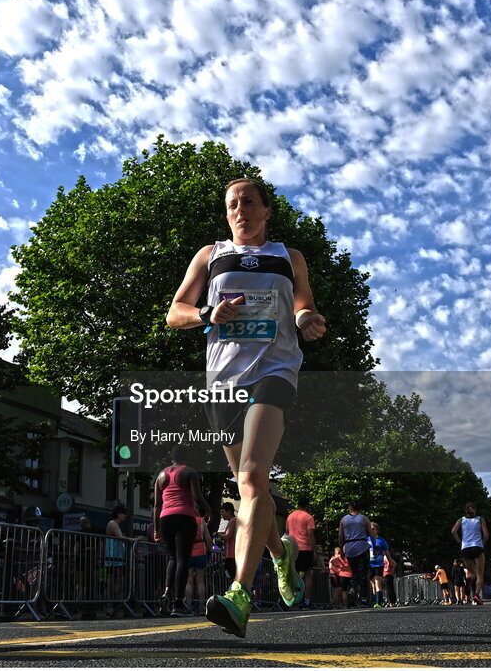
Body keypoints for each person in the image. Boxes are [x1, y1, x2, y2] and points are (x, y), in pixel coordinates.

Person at [167, 178, 326, 638]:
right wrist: (206, 314)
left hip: (274, 371)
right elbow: (175, 311)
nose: (241, 210)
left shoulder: (288, 256)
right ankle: (280, 555)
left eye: (249, 202)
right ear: (227, 214)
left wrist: (306, 319)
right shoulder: (210, 254)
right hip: (222, 381)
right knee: (247, 492)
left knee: (254, 479)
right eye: (232, 204)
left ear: (266, 210)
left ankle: (239, 594)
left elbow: (302, 304)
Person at [152, 452, 211, 617]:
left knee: (172, 558)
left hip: (165, 518)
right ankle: (178, 603)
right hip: (184, 517)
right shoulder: (189, 472)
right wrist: (208, 509)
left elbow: (157, 505)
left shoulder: (161, 475)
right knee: (183, 559)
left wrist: (156, 529)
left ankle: (166, 593)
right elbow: (196, 495)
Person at [104, 505, 141, 617]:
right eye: (124, 513)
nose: (125, 516)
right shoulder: (112, 523)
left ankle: (115, 606)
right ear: (119, 514)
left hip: (117, 559)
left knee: (117, 583)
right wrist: (135, 539)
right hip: (113, 560)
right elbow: (120, 537)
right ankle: (111, 607)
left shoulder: (116, 524)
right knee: (114, 583)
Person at [451, 501, 489, 605]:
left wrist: (460, 542)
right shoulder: (480, 519)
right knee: (480, 574)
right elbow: (486, 535)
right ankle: (476, 595)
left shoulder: (461, 520)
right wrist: (483, 543)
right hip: (477, 546)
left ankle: (468, 584)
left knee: (471, 573)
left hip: (465, 548)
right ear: (475, 509)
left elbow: (453, 531)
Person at [284, 498, 317, 609]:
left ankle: (293, 599)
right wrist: (314, 550)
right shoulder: (308, 517)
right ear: (307, 506)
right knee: (308, 574)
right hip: (305, 548)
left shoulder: (290, 517)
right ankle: (307, 600)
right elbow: (310, 535)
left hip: (293, 548)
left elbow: (287, 533)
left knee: (294, 575)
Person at [339, 501, 373, 607]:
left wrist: (341, 549)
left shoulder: (344, 520)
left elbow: (340, 536)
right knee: (363, 572)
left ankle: (353, 588)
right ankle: (363, 598)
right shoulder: (364, 518)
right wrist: (375, 547)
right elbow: (371, 534)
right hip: (362, 546)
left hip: (349, 548)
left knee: (354, 572)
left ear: (349, 508)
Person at [185, 515, 214, 614]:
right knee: (200, 581)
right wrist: (209, 549)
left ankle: (188, 606)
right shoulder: (201, 520)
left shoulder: (186, 518)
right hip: (201, 552)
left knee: (188, 581)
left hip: (188, 551)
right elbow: (208, 539)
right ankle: (201, 607)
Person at [366, 522, 393, 608]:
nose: (371, 530)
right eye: (370, 529)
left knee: (378, 582)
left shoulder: (381, 541)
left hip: (378, 564)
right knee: (373, 584)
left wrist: (390, 562)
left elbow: (387, 553)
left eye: (373, 528)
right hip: (369, 565)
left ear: (377, 530)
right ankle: (375, 601)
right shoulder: (366, 540)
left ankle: (379, 602)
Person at [216, 502, 238, 583]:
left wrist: (218, 534)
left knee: (230, 577)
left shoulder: (232, 521)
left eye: (223, 511)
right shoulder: (236, 520)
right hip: (235, 554)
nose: (222, 514)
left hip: (231, 555)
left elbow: (227, 536)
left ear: (229, 511)